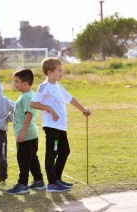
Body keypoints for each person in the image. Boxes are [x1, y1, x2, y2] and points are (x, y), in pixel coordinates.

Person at [30, 57, 91, 193]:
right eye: (59, 70)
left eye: (61, 69)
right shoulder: (44, 86)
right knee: (52, 153)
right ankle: (52, 184)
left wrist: (84, 110)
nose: (61, 72)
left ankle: (57, 179)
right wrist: (50, 109)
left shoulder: (58, 86)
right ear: (50, 72)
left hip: (61, 127)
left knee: (65, 151)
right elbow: (33, 103)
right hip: (52, 126)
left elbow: (70, 99)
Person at [6, 69, 45, 194]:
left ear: (25, 83)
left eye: (16, 81)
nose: (14, 84)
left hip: (27, 135)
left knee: (23, 160)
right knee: (32, 159)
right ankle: (39, 181)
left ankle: (22, 184)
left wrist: (22, 132)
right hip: (30, 135)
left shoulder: (28, 96)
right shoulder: (26, 95)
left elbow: (29, 114)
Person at [0, 77, 15, 189]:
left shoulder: (4, 101)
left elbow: (17, 108)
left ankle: (2, 179)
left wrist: (8, 119)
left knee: (1, 157)